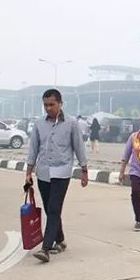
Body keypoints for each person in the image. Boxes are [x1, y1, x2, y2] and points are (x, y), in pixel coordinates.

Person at [25, 89, 88, 263]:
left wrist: (84, 169)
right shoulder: (39, 124)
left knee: (54, 208)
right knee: (49, 208)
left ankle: (46, 248)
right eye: (46, 105)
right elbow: (33, 149)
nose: (48, 108)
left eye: (52, 104)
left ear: (60, 103)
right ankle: (60, 240)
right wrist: (28, 172)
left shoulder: (72, 123)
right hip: (43, 172)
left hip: (62, 171)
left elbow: (79, 147)